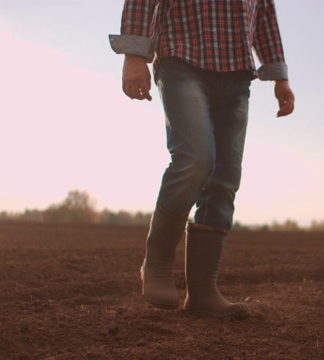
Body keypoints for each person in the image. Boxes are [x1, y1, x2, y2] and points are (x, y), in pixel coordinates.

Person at [109, 0, 295, 320]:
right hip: (182, 57)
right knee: (195, 159)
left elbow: (264, 16)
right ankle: (157, 264)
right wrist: (134, 54)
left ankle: (203, 292)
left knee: (224, 179)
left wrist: (279, 76)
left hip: (237, 72)